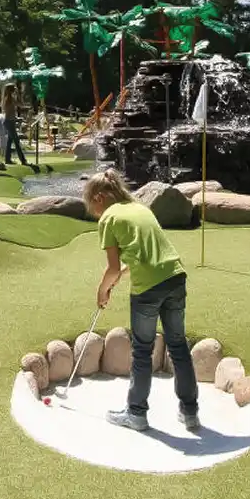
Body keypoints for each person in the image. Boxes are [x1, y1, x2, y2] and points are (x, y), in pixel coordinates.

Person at [84, 169, 199, 433]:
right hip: (175, 277)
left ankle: (136, 414)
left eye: (92, 205)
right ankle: (190, 412)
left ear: (99, 197)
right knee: (178, 346)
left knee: (143, 350)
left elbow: (113, 267)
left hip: (148, 290)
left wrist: (102, 290)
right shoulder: (140, 208)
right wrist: (117, 278)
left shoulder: (109, 218)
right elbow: (144, 256)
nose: (95, 212)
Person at [1, 83, 28, 165]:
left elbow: (10, 112)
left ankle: (7, 160)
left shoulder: (7, 98)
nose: (15, 89)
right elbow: (22, 105)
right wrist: (19, 94)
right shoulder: (10, 99)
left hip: (9, 122)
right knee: (16, 141)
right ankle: (23, 160)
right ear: (11, 90)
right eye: (14, 88)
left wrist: (16, 118)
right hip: (9, 123)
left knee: (9, 142)